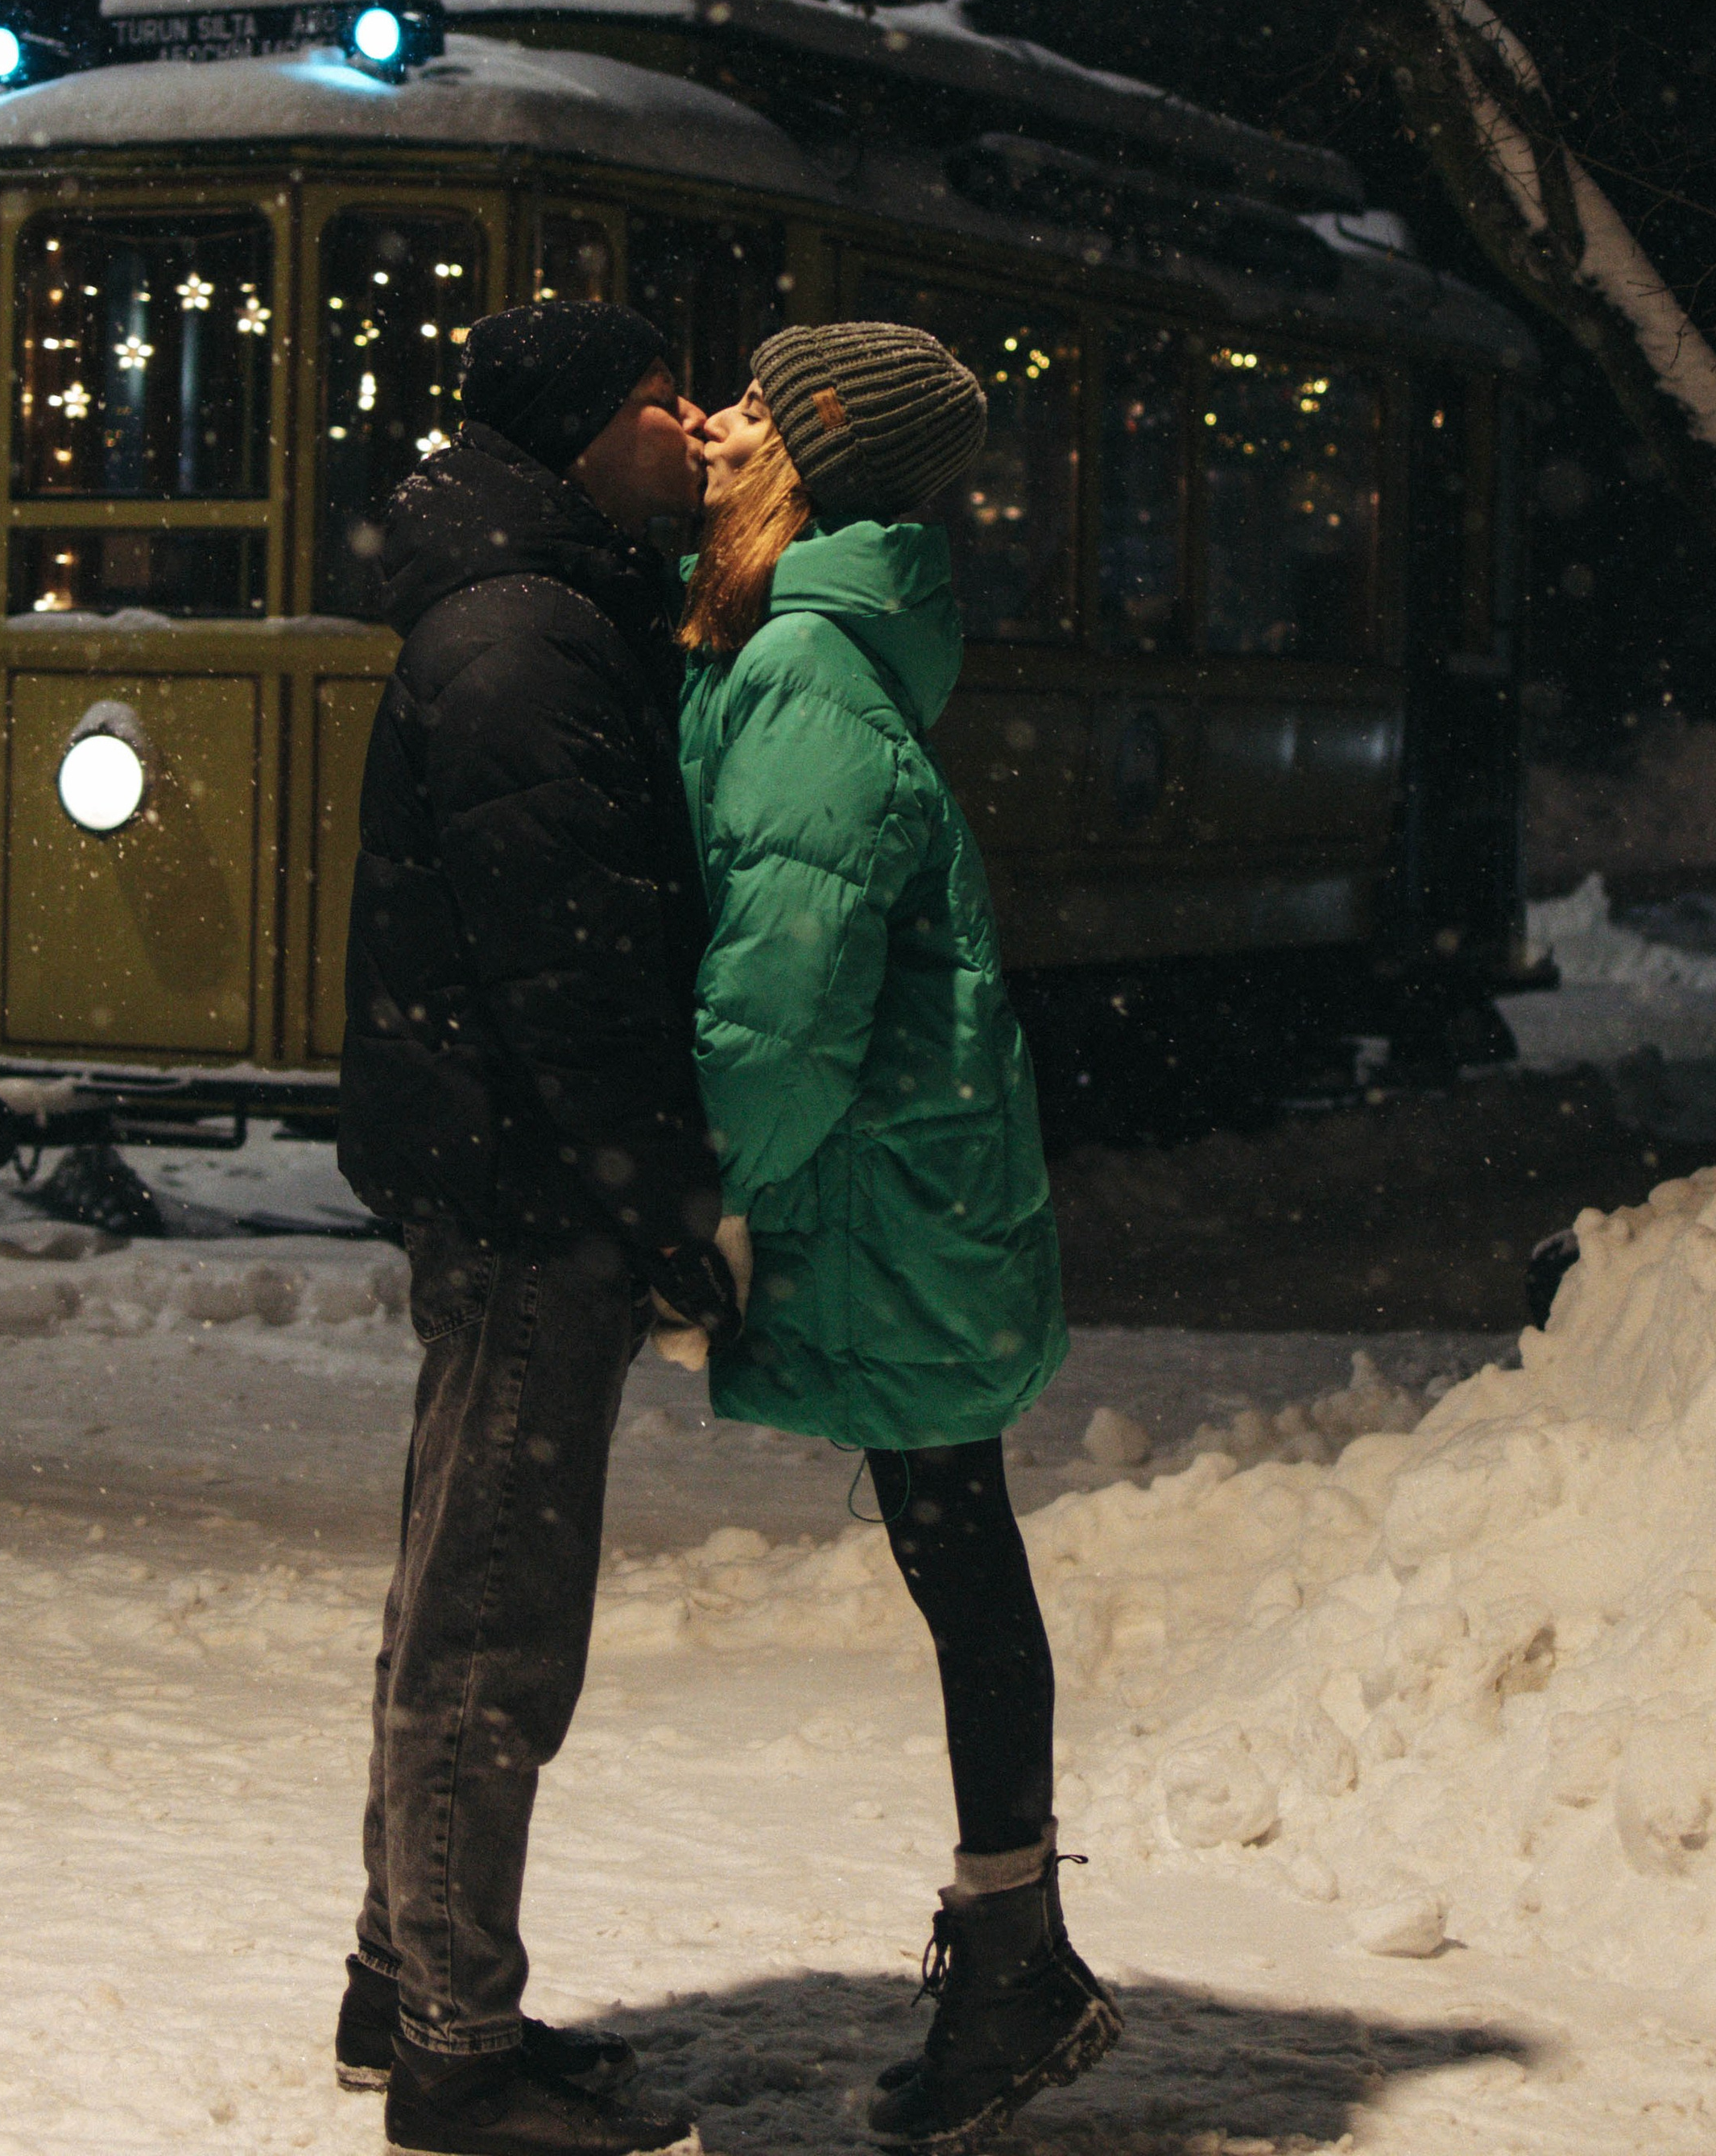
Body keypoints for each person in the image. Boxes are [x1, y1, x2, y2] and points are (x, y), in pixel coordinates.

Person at [676, 321, 1123, 2156]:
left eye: (748, 409)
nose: (707, 424)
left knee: (959, 1557)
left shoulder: (799, 668)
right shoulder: (828, 649)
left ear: (810, 460)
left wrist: (693, 1194)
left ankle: (1020, 1965)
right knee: (959, 1554)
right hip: (915, 1190)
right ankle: (1020, 1947)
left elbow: (785, 1004)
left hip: (880, 1199)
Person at [335, 301, 739, 2156]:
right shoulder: (523, 638)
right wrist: (659, 1202)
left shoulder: (527, 605)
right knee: (491, 1623)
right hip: (524, 1192)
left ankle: (398, 1979)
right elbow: (574, 977)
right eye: (663, 406)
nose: (691, 431)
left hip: (493, 1171)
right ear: (586, 434)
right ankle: (456, 2052)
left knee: (454, 1586)